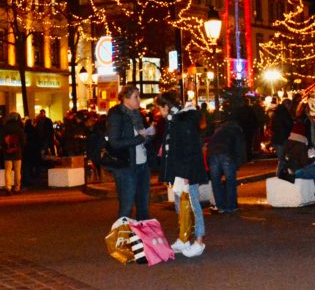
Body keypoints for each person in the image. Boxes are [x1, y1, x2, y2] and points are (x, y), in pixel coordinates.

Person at [157, 90, 208, 258]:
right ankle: (183, 238)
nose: (160, 113)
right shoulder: (176, 120)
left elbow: (188, 148)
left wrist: (186, 172)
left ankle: (199, 241)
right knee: (181, 204)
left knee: (194, 205)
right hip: (181, 169)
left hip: (187, 170)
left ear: (166, 106)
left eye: (160, 109)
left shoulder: (182, 120)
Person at [106, 84, 155, 221]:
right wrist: (139, 138)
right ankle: (123, 238)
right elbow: (114, 142)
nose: (139, 100)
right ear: (126, 98)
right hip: (126, 166)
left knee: (143, 207)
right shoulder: (116, 114)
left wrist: (149, 135)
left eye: (139, 96)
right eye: (136, 97)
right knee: (126, 207)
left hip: (142, 164)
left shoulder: (138, 114)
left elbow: (143, 136)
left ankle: (143, 238)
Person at [283, 121, 315, 204]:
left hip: (290, 170)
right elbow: (305, 163)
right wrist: (314, 158)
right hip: (298, 171)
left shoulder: (287, 143)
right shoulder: (301, 145)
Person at [206, 109, 247, 214]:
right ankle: (231, 206)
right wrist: (238, 163)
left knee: (216, 182)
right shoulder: (237, 131)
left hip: (213, 154)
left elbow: (210, 144)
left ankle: (221, 206)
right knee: (230, 181)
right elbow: (240, 148)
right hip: (227, 154)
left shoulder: (219, 130)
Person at [0, 112, 25, 194]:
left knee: (8, 170)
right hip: (17, 151)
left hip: (7, 151)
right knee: (17, 171)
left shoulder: (4, 128)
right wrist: (21, 147)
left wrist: (4, 147)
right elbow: (23, 140)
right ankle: (17, 187)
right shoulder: (19, 127)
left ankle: (8, 187)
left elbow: (1, 141)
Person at [270, 98, 294, 176]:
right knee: (282, 160)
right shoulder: (284, 113)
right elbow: (288, 124)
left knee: (282, 159)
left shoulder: (277, 112)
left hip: (277, 138)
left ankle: (282, 175)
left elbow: (272, 126)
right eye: (290, 106)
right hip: (282, 138)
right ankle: (279, 175)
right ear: (287, 105)